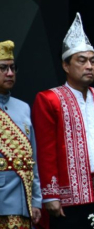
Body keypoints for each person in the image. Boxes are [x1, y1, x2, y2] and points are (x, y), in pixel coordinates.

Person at [32, 13, 94, 229]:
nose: (89, 66)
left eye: (92, 61)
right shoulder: (49, 99)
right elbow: (45, 150)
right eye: (82, 61)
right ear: (65, 66)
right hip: (67, 195)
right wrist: (50, 194)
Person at [0, 40, 42, 229]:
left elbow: (32, 159)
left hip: (23, 201)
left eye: (12, 68)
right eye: (3, 68)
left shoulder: (23, 107)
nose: (9, 73)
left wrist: (36, 200)